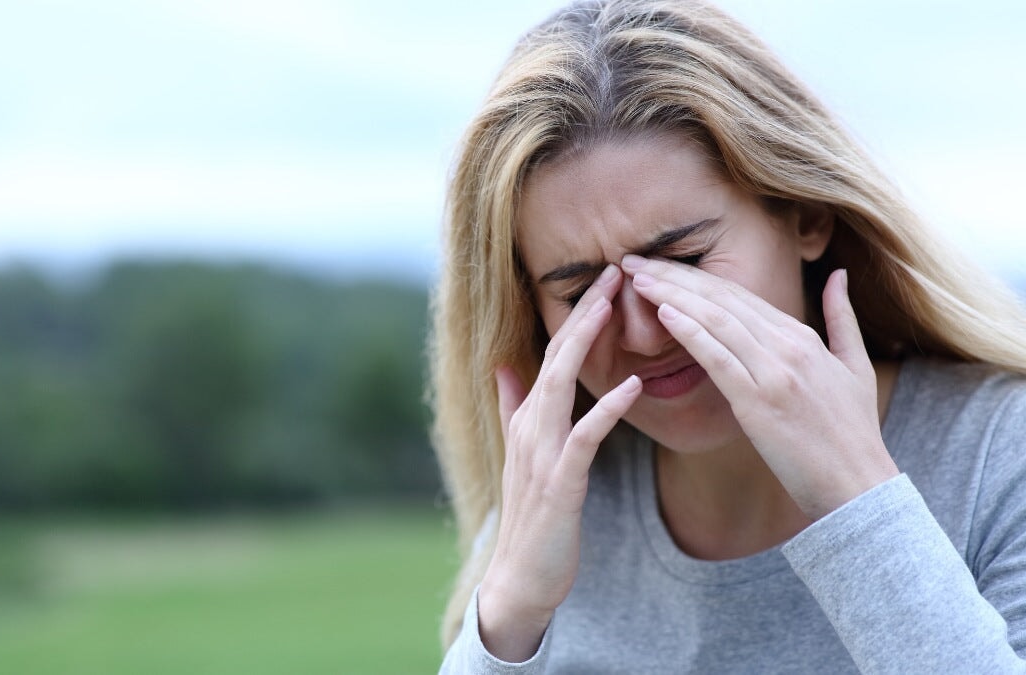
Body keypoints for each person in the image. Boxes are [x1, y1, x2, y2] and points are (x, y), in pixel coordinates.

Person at [429, 0, 1026, 672]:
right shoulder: (562, 496)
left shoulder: (998, 457)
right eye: (580, 293)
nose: (644, 331)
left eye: (683, 265)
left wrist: (859, 501)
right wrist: (509, 613)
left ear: (805, 216)